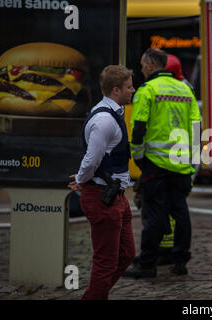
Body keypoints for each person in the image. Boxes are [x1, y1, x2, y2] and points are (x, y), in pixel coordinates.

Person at [124, 48, 201, 278]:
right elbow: (196, 128)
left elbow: (138, 128)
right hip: (181, 163)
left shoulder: (147, 91)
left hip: (155, 164)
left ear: (150, 65)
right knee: (180, 211)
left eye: (141, 65)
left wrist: (138, 157)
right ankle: (180, 261)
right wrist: (192, 161)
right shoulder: (185, 90)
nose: (140, 69)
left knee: (155, 212)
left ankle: (147, 264)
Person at [68, 65, 136, 300]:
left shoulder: (112, 113)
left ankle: (96, 294)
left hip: (115, 195)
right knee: (105, 262)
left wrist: (82, 178)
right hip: (103, 197)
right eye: (129, 87)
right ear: (116, 90)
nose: (133, 90)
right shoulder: (105, 120)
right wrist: (81, 179)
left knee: (127, 254)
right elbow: (92, 158)